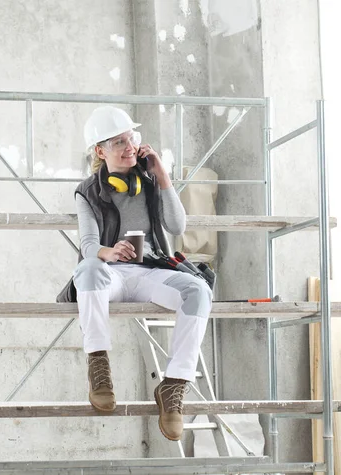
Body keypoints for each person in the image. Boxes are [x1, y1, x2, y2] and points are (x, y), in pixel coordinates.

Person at [57, 106, 212, 441]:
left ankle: (173, 388)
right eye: (118, 142)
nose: (129, 146)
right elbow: (87, 245)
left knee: (198, 290)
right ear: (100, 151)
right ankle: (99, 369)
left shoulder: (150, 182)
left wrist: (163, 177)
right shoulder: (87, 192)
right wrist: (108, 252)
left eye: (132, 138)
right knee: (87, 269)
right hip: (110, 275)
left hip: (151, 271)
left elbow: (177, 225)